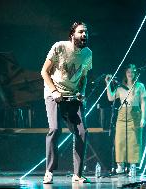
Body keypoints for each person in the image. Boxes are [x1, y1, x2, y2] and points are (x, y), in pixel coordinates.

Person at [41, 21, 92, 184]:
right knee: (55, 129)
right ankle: (49, 171)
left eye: (86, 32)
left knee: (82, 132)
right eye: (81, 32)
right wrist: (55, 91)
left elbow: (83, 77)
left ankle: (77, 174)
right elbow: (44, 72)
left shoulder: (88, 53)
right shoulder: (59, 47)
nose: (84, 35)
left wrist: (82, 93)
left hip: (73, 97)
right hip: (53, 94)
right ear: (72, 35)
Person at [105, 64, 146, 176]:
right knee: (120, 140)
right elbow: (110, 98)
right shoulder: (120, 87)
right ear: (125, 73)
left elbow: (143, 103)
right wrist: (108, 84)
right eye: (128, 71)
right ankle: (120, 166)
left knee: (134, 140)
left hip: (135, 113)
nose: (130, 73)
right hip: (122, 115)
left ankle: (133, 165)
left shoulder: (140, 86)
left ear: (135, 73)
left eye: (132, 71)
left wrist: (143, 117)